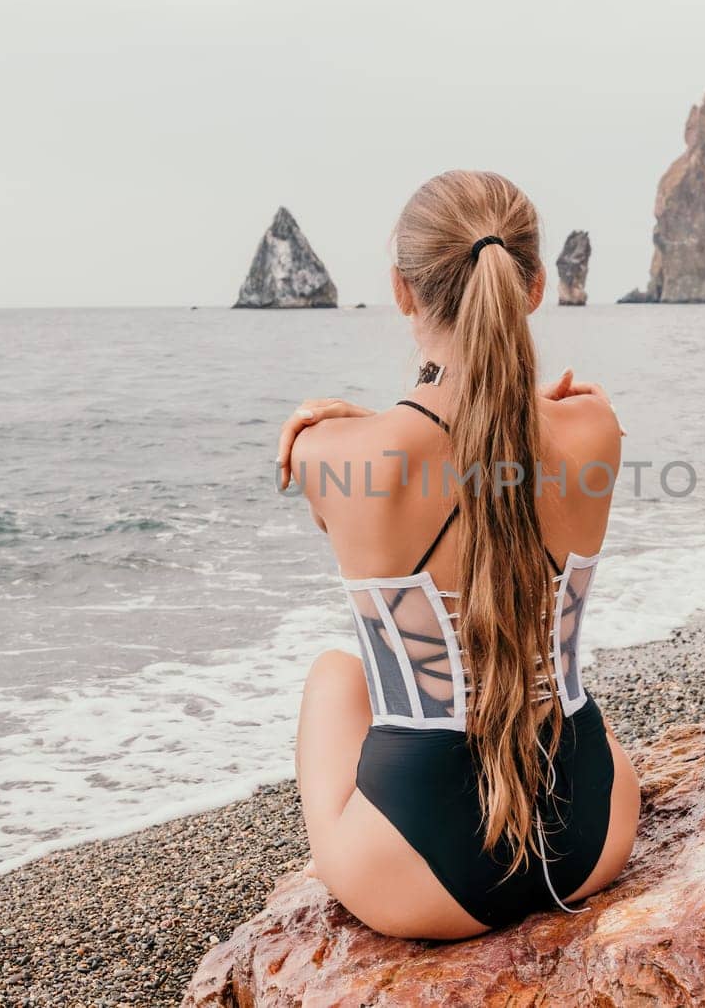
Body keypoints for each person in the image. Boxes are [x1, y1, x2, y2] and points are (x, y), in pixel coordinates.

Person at [273, 170, 639, 939]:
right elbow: (499, 439)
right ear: (533, 286)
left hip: (417, 870)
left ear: (403, 292)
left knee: (335, 675)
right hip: (595, 832)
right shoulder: (595, 427)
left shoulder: (335, 453)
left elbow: (392, 467)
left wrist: (342, 420)